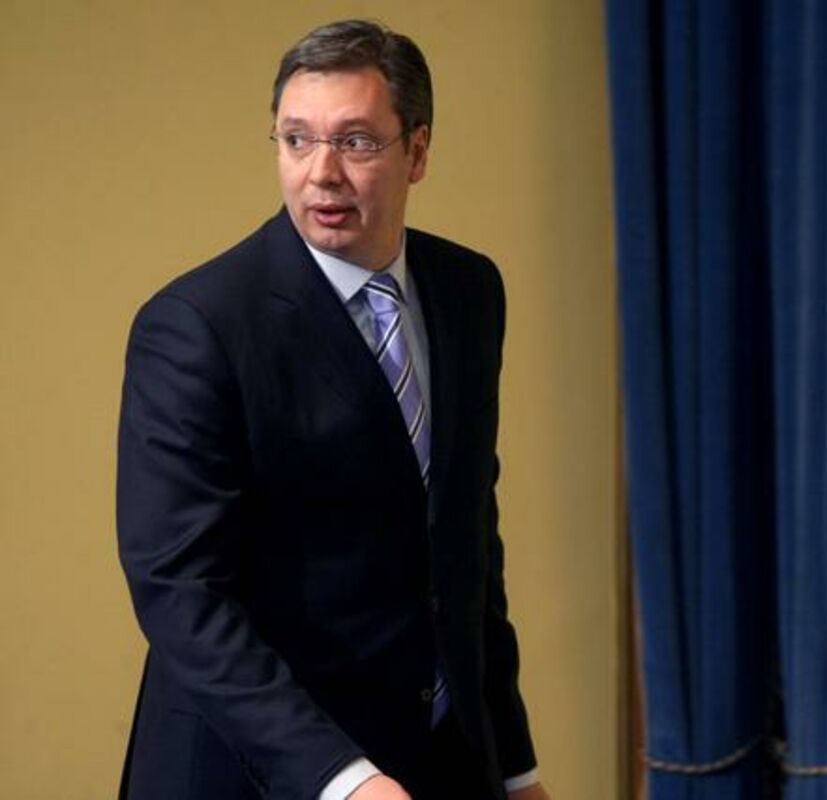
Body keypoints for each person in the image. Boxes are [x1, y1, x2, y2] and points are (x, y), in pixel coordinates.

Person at [116, 19, 550, 800]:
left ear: (418, 150)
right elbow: (181, 591)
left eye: (356, 142)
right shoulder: (197, 325)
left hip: (437, 761)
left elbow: (465, 548)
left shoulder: (469, 291)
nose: (322, 173)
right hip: (259, 772)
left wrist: (515, 771)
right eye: (296, 140)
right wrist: (343, 780)